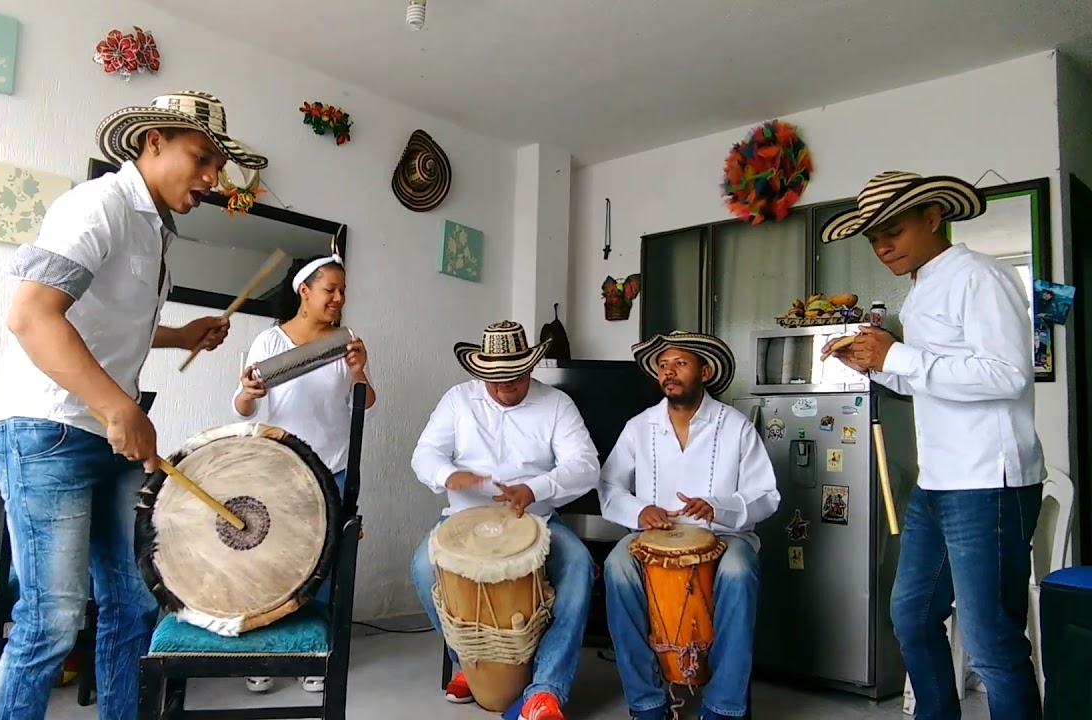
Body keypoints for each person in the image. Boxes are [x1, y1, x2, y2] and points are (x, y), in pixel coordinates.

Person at [0, 91, 265, 720]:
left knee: (133, 603)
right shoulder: (97, 206)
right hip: (50, 429)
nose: (212, 180)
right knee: (52, 620)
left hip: (106, 434)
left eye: (217, 168)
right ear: (153, 142)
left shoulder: (152, 226)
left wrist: (178, 335)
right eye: (201, 159)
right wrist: (120, 409)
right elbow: (31, 316)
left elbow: (102, 318)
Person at [820, 171, 1045, 720]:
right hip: (938, 482)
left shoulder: (979, 276)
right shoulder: (921, 289)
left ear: (933, 216)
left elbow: (1008, 375)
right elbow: (930, 377)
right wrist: (875, 367)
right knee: (913, 617)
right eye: (873, 239)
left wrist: (896, 356)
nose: (882, 247)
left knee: (992, 643)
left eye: (892, 230)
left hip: (988, 482)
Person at [409, 320, 600, 720]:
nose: (500, 391)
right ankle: (473, 669)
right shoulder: (458, 401)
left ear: (530, 369)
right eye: (491, 382)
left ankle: (545, 689)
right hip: (464, 521)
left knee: (579, 566)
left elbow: (585, 467)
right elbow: (424, 454)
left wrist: (536, 489)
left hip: (537, 520)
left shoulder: (557, 405)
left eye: (510, 382)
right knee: (423, 567)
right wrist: (449, 475)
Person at [598, 331, 779, 720]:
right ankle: (646, 702)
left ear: (705, 370)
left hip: (725, 536)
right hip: (650, 536)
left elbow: (766, 495)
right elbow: (609, 485)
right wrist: (639, 510)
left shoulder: (736, 427)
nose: (669, 372)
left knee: (739, 570)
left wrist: (717, 507)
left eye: (679, 364)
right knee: (616, 567)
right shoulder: (639, 426)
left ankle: (724, 706)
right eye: (663, 366)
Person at [233, 253, 377, 694]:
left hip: (332, 468)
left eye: (343, 291)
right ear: (305, 292)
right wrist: (247, 391)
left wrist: (358, 371)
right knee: (274, 561)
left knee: (324, 564)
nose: (339, 298)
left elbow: (366, 401)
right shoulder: (269, 343)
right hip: (279, 469)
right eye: (330, 290)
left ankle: (315, 655)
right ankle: (264, 654)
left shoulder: (346, 340)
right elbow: (243, 408)